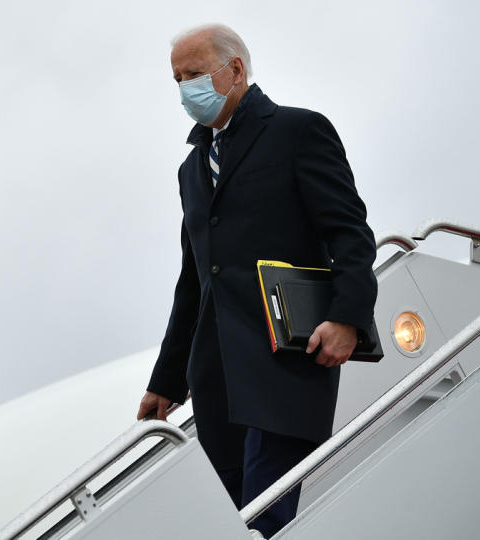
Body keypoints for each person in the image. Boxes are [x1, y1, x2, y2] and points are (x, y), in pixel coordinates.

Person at [135, 23, 378, 537]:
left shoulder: (298, 131)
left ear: (236, 70)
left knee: (264, 516)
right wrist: (167, 378)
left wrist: (346, 317)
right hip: (218, 378)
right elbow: (194, 282)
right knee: (231, 519)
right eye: (176, 79)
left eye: (194, 74)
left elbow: (350, 233)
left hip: (284, 362)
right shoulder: (192, 168)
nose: (184, 89)